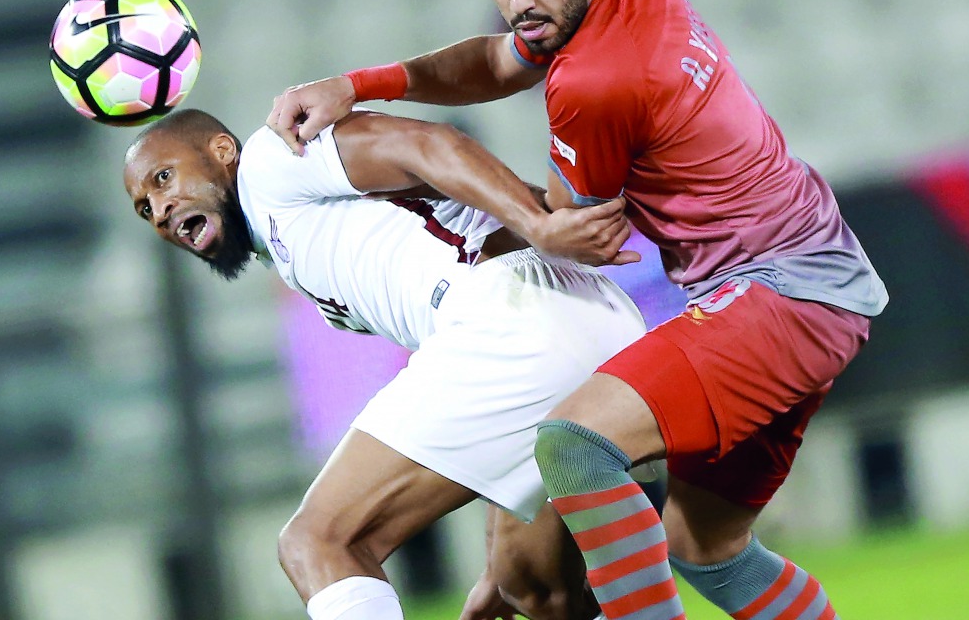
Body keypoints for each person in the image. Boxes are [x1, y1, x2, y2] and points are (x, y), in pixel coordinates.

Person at [266, 0, 888, 620]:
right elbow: (498, 60)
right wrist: (359, 85)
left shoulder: (595, 80)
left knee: (574, 443)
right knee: (707, 551)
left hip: (773, 297)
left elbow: (567, 227)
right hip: (818, 281)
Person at [122, 107, 649, 620]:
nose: (161, 210)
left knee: (320, 540)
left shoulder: (270, 159)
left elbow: (430, 144)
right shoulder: (291, 238)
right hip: (581, 320)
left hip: (512, 316)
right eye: (145, 208)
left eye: (163, 178)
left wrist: (541, 223)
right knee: (533, 587)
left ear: (221, 151)